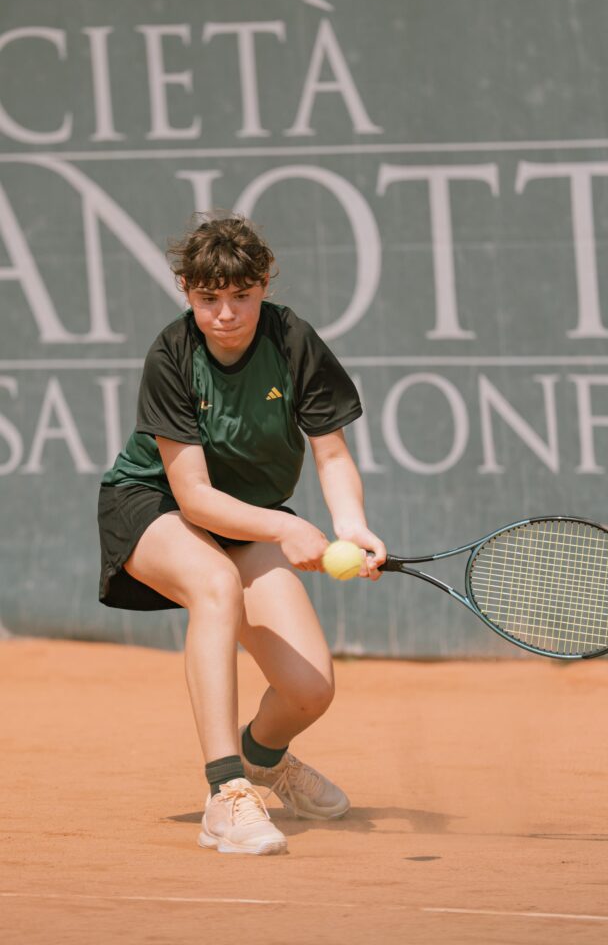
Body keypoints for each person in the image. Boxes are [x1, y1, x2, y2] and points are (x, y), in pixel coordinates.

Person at [97, 213, 386, 856]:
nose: (225, 314)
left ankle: (263, 758)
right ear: (185, 289)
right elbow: (195, 497)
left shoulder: (293, 339)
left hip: (247, 514)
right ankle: (226, 794)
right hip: (152, 503)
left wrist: (351, 525)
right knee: (216, 584)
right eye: (208, 298)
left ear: (264, 286)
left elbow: (332, 455)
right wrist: (287, 525)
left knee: (309, 691)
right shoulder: (172, 354)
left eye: (242, 296)